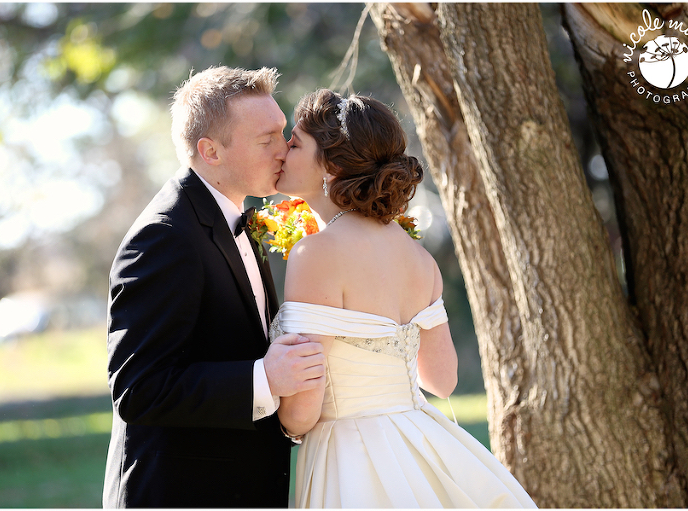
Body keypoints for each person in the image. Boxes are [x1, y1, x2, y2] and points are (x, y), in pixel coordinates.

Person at [270, 88, 538, 508]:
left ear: (332, 166)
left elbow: (302, 411)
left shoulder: (316, 253)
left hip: (350, 458)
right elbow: (442, 380)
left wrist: (278, 419)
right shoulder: (419, 258)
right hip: (419, 440)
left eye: (295, 144)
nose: (283, 152)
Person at [102, 66, 326, 508]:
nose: (284, 148)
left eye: (282, 133)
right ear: (210, 151)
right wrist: (264, 378)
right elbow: (138, 389)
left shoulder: (236, 218)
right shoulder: (164, 236)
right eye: (266, 139)